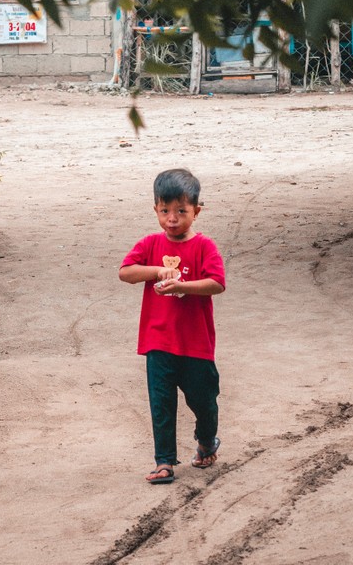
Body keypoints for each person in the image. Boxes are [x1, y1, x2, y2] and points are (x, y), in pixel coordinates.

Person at [119, 168, 225, 485]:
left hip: (196, 343)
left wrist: (183, 286)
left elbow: (217, 283)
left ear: (196, 211)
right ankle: (164, 462)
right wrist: (156, 271)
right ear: (155, 209)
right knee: (161, 403)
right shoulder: (150, 244)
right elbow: (126, 272)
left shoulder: (204, 246)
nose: (172, 219)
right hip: (158, 340)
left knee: (204, 401)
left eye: (181, 211)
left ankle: (206, 440)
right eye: (165, 211)